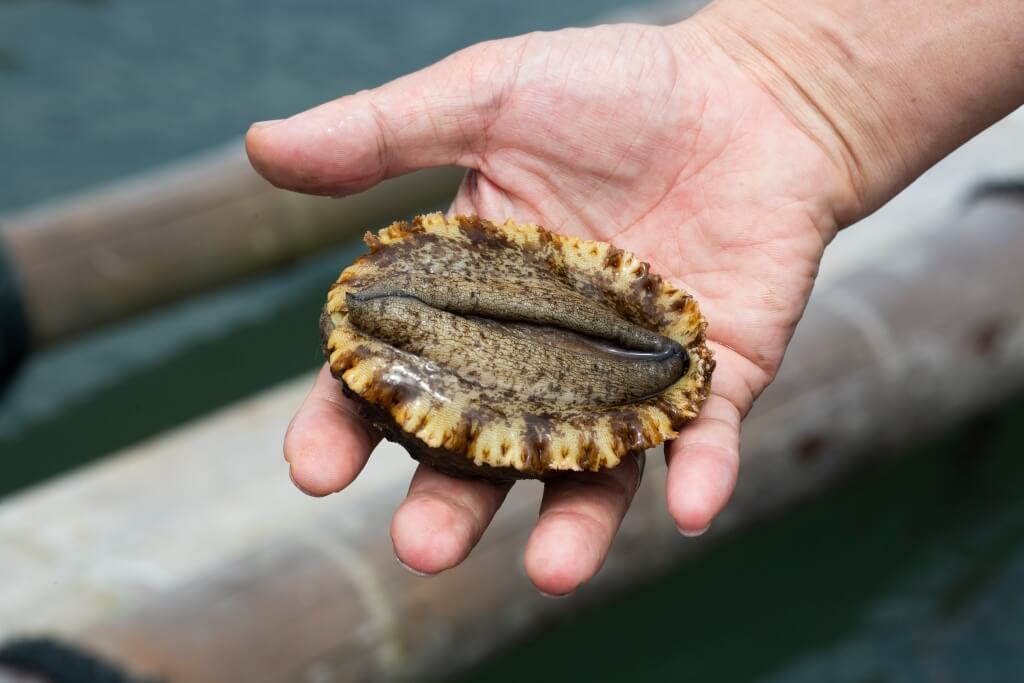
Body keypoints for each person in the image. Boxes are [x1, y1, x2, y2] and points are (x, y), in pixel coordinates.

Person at [245, 0, 1024, 596]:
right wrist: (799, 76)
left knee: (652, 367)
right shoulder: (381, 299)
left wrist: (802, 81)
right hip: (430, 320)